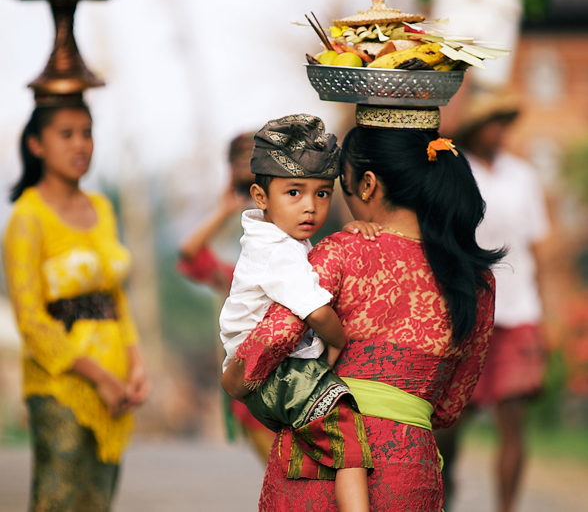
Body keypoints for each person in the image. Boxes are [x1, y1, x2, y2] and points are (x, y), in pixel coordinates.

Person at [222, 106, 504, 511]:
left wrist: (234, 382)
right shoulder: (476, 281)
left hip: (319, 467)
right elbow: (448, 408)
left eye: (335, 188)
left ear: (367, 184)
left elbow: (273, 340)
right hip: (411, 471)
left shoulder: (341, 252)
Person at [220, 115, 375, 512]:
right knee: (347, 433)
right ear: (260, 196)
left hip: (271, 368)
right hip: (274, 372)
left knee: (314, 450)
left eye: (322, 194)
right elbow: (319, 314)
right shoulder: (278, 251)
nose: (310, 207)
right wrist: (340, 341)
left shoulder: (276, 236)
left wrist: (351, 230)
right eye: (294, 192)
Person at [2, 98, 149, 512]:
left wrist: (135, 364)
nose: (80, 144)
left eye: (86, 132)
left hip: (116, 382)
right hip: (62, 385)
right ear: (36, 144)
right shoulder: (26, 220)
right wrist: (97, 376)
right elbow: (30, 321)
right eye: (65, 134)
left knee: (98, 500)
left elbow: (116, 298)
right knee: (59, 499)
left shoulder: (101, 208)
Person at [436, 92, 549, 512]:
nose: (499, 130)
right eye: (492, 121)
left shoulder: (523, 175)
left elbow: (537, 247)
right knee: (451, 418)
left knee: (514, 417)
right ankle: (443, 491)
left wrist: (545, 317)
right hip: (467, 308)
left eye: (505, 121)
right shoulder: (453, 169)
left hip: (520, 310)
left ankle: (507, 506)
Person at [177, 131, 277, 461]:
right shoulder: (233, 246)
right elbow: (189, 255)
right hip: (250, 379)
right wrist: (224, 210)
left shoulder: (287, 229)